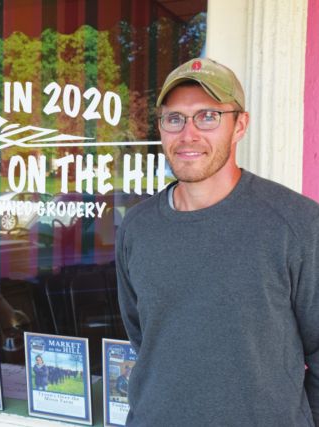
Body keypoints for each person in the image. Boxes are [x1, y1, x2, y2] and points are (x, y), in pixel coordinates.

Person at [116, 58, 319, 426]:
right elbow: (143, 337)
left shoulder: (297, 223)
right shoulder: (137, 227)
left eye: (208, 116)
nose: (188, 134)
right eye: (174, 118)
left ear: (239, 125)